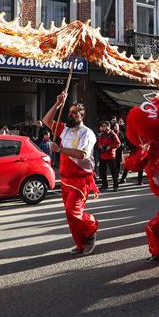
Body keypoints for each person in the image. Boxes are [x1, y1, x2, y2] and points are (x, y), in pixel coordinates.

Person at [42, 92, 99, 254]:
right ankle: (81, 243)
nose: (71, 114)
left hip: (81, 180)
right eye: (70, 111)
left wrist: (59, 149)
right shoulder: (64, 129)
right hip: (66, 179)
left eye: (74, 112)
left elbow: (82, 154)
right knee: (70, 215)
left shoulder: (87, 133)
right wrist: (58, 103)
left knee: (73, 211)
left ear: (82, 116)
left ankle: (91, 227)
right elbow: (46, 121)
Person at [96, 121, 121, 191]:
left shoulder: (112, 134)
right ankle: (104, 185)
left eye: (104, 126)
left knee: (113, 172)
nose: (103, 127)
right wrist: (101, 147)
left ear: (108, 126)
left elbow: (118, 143)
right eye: (102, 126)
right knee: (103, 172)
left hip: (111, 156)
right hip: (103, 156)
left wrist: (109, 147)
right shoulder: (102, 135)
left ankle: (115, 185)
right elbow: (99, 143)